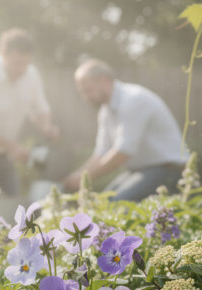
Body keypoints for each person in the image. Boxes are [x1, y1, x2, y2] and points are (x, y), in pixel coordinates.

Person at [63, 59, 188, 201]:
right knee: (102, 203)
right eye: (82, 92)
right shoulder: (106, 111)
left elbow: (123, 152)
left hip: (168, 169)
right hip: (140, 170)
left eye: (88, 90)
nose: (85, 97)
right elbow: (101, 152)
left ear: (104, 81)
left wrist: (84, 177)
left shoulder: (132, 100)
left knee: (115, 205)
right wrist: (78, 175)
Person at [0, 28, 60, 197]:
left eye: (25, 64)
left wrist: (46, 127)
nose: (21, 70)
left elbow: (40, 109)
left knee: (12, 198)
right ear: (3, 54)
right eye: (16, 64)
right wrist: (13, 147)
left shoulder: (31, 75)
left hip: (4, 151)